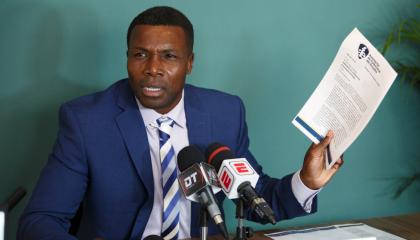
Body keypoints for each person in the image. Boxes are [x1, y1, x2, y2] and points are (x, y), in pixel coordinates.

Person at [17, 6, 344, 240]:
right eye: (140, 54)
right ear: (128, 58)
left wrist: (307, 181)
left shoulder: (224, 112)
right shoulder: (87, 121)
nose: (153, 68)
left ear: (190, 63)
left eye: (169, 56)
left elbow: (256, 200)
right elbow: (38, 222)